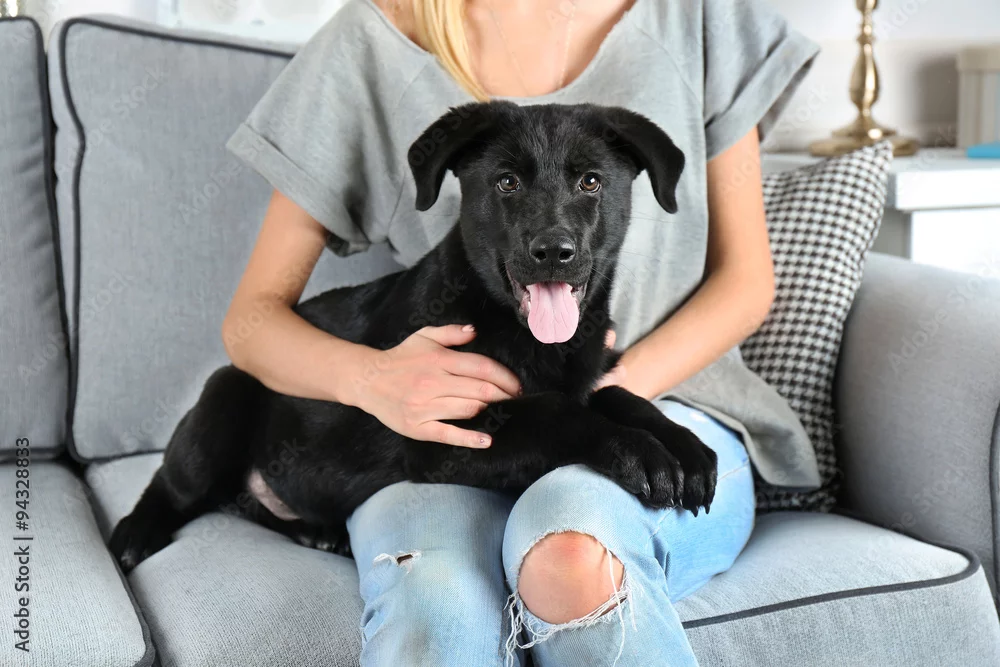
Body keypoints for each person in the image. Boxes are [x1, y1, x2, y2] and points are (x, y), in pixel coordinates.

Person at [223, 1, 820, 664]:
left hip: (668, 405)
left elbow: (745, 281)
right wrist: (375, 379)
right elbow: (252, 322)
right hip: (464, 431)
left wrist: (607, 394)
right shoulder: (373, 37)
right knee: (436, 601)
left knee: (571, 556)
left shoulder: (698, 14)